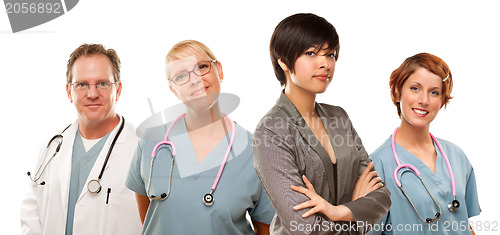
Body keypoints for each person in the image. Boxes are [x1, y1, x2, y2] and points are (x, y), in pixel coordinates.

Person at [253, 13, 391, 234]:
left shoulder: (339, 118)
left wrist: (339, 212)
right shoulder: (271, 130)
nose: (325, 64)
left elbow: (382, 197)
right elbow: (303, 226)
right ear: (283, 61)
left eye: (331, 54)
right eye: (311, 53)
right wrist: (356, 213)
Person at [126, 40, 275, 234]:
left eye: (202, 67)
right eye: (181, 76)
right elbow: (151, 219)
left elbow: (265, 230)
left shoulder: (256, 152)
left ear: (219, 71)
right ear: (173, 90)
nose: (195, 79)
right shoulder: (150, 141)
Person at [20, 44, 142, 235]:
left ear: (118, 90)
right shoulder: (52, 146)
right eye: (82, 85)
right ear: (69, 92)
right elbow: (31, 211)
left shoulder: (141, 149)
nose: (92, 94)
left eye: (102, 83)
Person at [369, 53, 481, 234]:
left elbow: (464, 224)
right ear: (397, 92)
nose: (424, 100)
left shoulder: (456, 156)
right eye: (415, 88)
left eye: (434, 92)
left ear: (442, 101)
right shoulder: (377, 165)